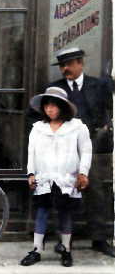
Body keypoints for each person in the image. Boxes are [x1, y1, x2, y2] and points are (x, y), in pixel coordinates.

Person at [47, 47, 114, 257]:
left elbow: (109, 110)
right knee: (64, 191)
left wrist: (105, 130)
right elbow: (39, 116)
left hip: (90, 146)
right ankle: (65, 239)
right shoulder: (54, 89)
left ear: (80, 63)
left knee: (95, 192)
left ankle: (99, 239)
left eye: (69, 64)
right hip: (63, 147)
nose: (65, 69)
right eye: (62, 65)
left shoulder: (98, 85)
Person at [21, 87, 91, 267]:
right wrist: (31, 174)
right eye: (47, 106)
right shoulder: (38, 129)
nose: (50, 110)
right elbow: (32, 153)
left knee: (65, 213)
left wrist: (83, 172)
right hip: (44, 178)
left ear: (63, 107)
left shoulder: (76, 127)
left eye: (54, 106)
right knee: (42, 211)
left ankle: (66, 249)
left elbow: (86, 151)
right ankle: (36, 250)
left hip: (66, 178)